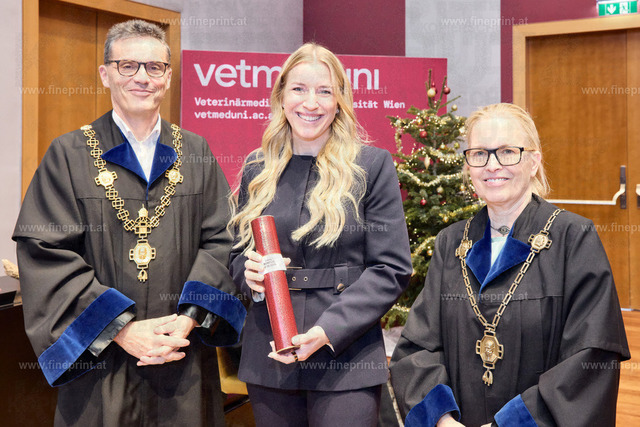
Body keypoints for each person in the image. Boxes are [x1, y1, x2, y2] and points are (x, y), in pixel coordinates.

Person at [12, 20, 246, 426]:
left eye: (154, 67)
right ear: (105, 74)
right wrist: (120, 329)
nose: (142, 77)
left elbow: (222, 238)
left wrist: (188, 319)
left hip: (182, 357)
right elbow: (45, 253)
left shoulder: (195, 152)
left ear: (167, 77)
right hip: (103, 365)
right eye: (128, 66)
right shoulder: (68, 155)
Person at [390, 103, 630, 427]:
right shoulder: (451, 242)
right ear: (468, 166)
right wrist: (442, 419)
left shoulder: (573, 238)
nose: (492, 165)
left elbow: (591, 356)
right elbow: (419, 348)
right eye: (479, 154)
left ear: (534, 161)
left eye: (507, 152)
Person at [227, 42, 412, 426]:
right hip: (271, 354)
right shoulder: (258, 168)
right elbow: (236, 253)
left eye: (324, 91)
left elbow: (391, 268)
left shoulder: (371, 166)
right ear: (281, 96)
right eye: (299, 89)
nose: (310, 103)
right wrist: (249, 276)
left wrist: (328, 331)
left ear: (339, 101)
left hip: (345, 355)